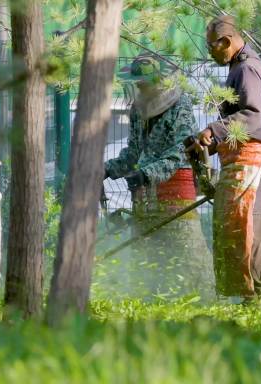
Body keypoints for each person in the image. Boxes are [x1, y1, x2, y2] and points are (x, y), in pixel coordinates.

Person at [187, 15, 261, 307]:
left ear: (227, 41)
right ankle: (257, 297)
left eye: (212, 47)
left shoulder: (246, 69)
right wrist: (214, 143)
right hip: (254, 160)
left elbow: (253, 115)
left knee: (246, 226)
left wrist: (213, 130)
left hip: (252, 162)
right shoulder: (247, 65)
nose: (210, 53)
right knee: (251, 226)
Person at [103, 54, 215, 301]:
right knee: (145, 256)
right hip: (144, 196)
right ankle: (147, 300)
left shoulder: (179, 105)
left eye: (145, 82)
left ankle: (205, 302)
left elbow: (181, 150)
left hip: (176, 192)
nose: (141, 87)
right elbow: (133, 152)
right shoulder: (137, 110)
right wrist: (106, 170)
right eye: (138, 83)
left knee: (188, 253)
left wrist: (147, 174)